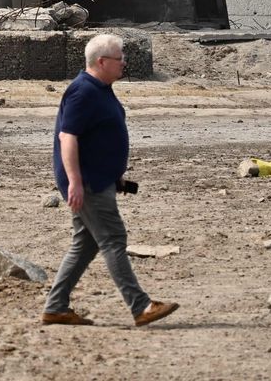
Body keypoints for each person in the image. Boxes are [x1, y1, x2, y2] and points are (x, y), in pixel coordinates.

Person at [41, 32, 179, 327]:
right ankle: (141, 306)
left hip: (98, 180)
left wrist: (115, 177)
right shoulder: (83, 91)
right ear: (101, 62)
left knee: (85, 244)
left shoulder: (100, 88)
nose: (124, 63)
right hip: (88, 184)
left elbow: (97, 137)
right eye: (119, 59)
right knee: (113, 239)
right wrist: (75, 182)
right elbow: (67, 138)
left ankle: (55, 307)